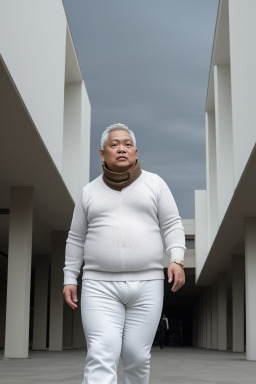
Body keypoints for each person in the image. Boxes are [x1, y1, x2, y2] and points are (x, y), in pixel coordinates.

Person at [63, 123, 186, 384]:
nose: (122, 149)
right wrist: (70, 278)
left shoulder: (155, 184)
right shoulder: (88, 192)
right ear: (102, 153)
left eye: (127, 144)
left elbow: (172, 224)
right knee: (101, 354)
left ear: (136, 152)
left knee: (137, 357)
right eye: (115, 144)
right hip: (99, 285)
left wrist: (176, 258)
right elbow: (75, 238)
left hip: (148, 284)